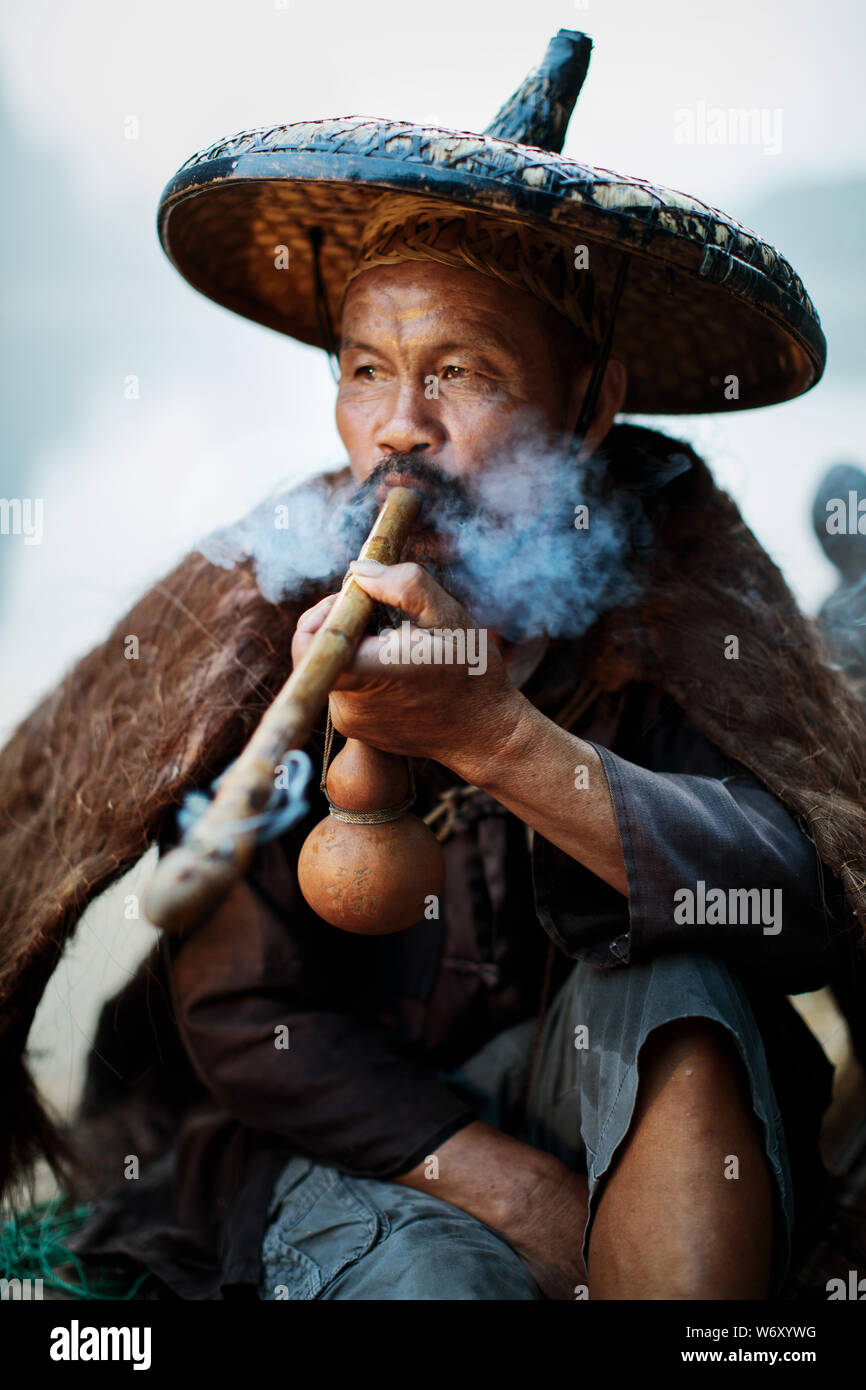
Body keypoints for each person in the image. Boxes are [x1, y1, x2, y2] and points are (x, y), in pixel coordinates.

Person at [1, 29, 864, 1301]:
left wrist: (499, 741)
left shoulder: (669, 575)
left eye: (458, 372)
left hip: (590, 1079)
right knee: (424, 1284)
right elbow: (243, 1017)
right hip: (341, 1143)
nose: (398, 427)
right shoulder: (274, 600)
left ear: (588, 407)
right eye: (365, 371)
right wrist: (518, 1193)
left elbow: (797, 900)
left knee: (683, 975)